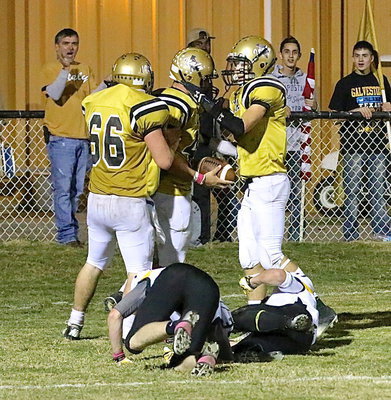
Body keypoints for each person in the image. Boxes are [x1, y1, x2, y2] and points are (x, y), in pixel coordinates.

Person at [183, 35, 337, 336]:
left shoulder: (266, 87)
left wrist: (210, 105)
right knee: (249, 258)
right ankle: (255, 318)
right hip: (252, 184)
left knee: (271, 254)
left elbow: (240, 126)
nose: (235, 69)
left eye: (241, 63)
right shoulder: (243, 93)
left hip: (270, 181)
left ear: (259, 63)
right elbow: (240, 141)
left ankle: (318, 307)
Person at [102, 47, 232, 311]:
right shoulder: (178, 106)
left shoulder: (170, 98)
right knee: (173, 266)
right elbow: (168, 157)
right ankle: (153, 315)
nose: (209, 85)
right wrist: (198, 176)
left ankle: (127, 300)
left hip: (157, 191)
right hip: (169, 192)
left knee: (157, 261)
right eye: (206, 79)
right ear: (190, 75)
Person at [62, 52, 176, 340]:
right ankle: (126, 329)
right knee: (138, 273)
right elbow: (164, 160)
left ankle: (75, 321)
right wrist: (175, 141)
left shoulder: (95, 101)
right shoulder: (145, 106)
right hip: (129, 199)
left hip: (98, 197)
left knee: (94, 261)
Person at [107, 263, 233, 377]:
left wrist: (119, 356)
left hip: (173, 276)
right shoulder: (219, 309)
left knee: (132, 343)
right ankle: (204, 357)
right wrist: (224, 356)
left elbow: (114, 315)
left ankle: (175, 326)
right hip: (208, 285)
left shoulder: (143, 279)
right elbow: (221, 341)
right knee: (184, 357)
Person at [41, 28, 102, 246]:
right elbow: (55, 93)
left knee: (77, 190)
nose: (70, 47)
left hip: (83, 138)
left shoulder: (84, 68)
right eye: (66, 43)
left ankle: (72, 232)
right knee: (63, 189)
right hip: (62, 138)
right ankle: (66, 235)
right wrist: (65, 71)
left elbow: (93, 96)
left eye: (74, 43)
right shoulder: (50, 69)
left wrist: (108, 84)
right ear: (57, 46)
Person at [329, 40, 391, 242]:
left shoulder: (381, 82)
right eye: (357, 56)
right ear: (353, 58)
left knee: (378, 190)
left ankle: (381, 230)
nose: (361, 59)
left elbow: (387, 107)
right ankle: (351, 234)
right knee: (352, 190)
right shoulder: (345, 84)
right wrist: (354, 112)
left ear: (372, 58)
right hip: (353, 145)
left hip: (377, 144)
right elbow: (334, 114)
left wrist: (387, 106)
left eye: (365, 55)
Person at [187, 28, 241, 245]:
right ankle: (201, 238)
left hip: (209, 144)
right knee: (199, 194)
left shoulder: (209, 80)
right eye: (200, 44)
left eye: (207, 43)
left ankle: (222, 236)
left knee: (225, 189)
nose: (206, 47)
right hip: (192, 146)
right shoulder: (189, 76)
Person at [271, 36, 318, 241]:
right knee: (276, 191)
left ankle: (296, 233)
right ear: (280, 55)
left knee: (297, 190)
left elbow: (312, 105)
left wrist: (312, 104)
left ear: (299, 55)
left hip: (297, 143)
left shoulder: (304, 78)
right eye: (287, 52)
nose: (291, 56)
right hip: (277, 143)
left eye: (294, 52)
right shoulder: (271, 79)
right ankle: (274, 231)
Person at [232, 267, 318, 360]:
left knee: (239, 316)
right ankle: (257, 352)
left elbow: (278, 275)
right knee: (245, 348)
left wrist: (252, 281)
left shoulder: (300, 284)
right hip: (302, 341)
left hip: (292, 313)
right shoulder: (309, 301)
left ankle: (289, 322)